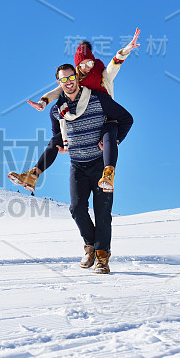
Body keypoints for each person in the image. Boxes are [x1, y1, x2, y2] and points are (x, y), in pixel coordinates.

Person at [9, 29, 140, 193]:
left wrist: (125, 50)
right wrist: (43, 102)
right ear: (77, 66)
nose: (87, 68)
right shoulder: (75, 78)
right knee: (55, 140)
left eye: (90, 63)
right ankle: (33, 175)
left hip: (106, 117)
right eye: (83, 65)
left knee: (110, 133)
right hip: (85, 119)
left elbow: (114, 65)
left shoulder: (101, 75)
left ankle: (108, 174)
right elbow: (59, 90)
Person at [41, 63, 133, 274]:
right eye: (63, 79)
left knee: (102, 212)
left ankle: (102, 257)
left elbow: (127, 119)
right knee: (76, 209)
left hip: (101, 166)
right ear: (58, 83)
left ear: (77, 77)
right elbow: (58, 135)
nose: (68, 82)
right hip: (77, 166)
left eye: (71, 77)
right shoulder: (56, 110)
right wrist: (62, 146)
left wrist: (115, 140)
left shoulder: (97, 99)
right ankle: (90, 246)